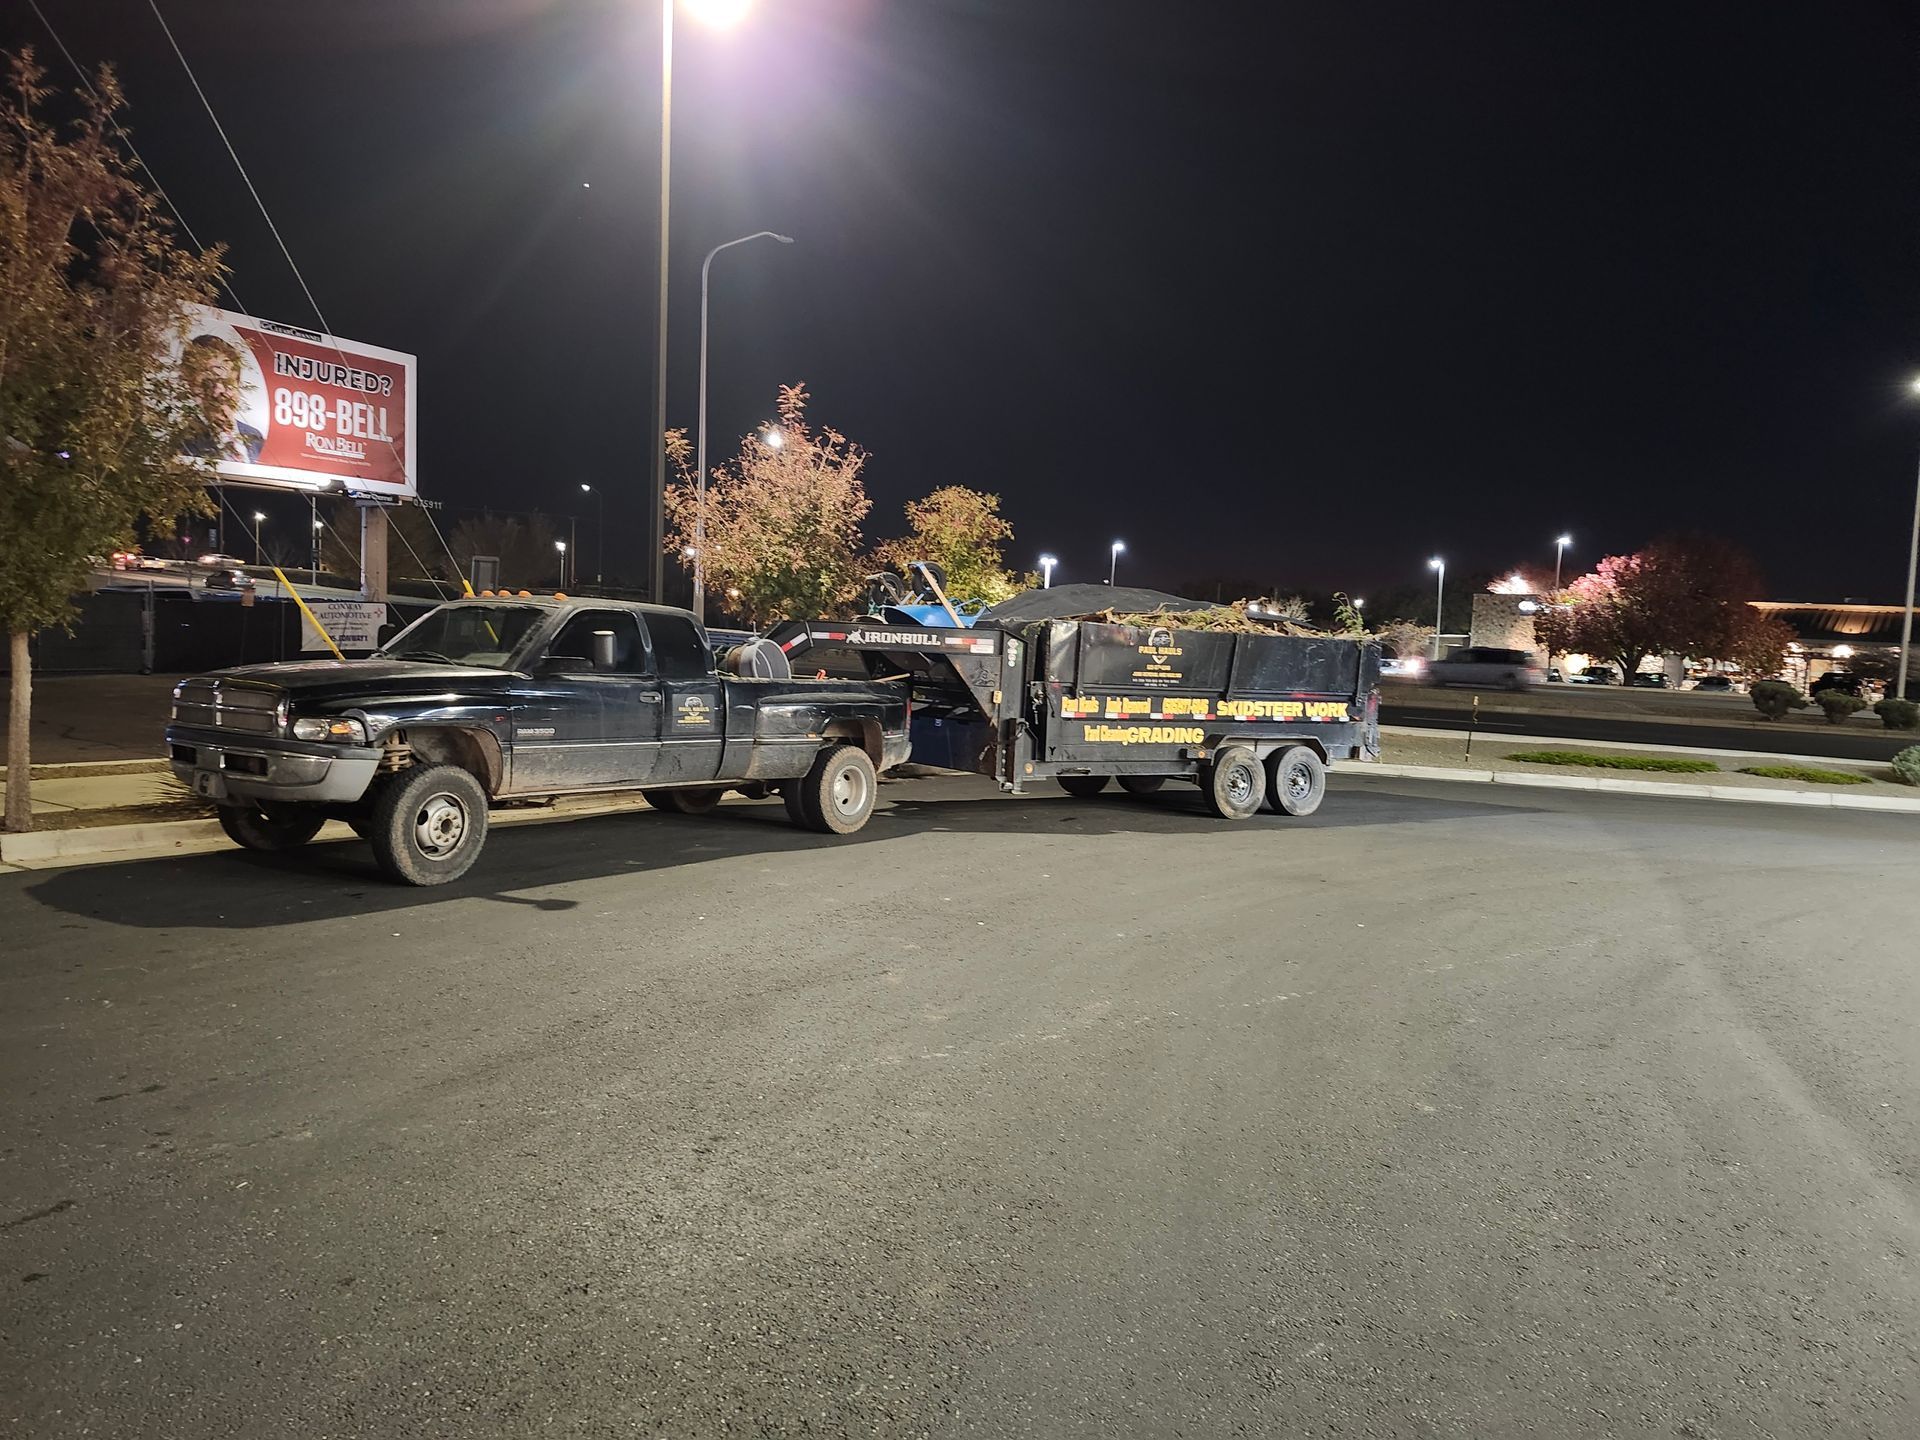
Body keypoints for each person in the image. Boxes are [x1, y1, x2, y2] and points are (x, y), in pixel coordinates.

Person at [181, 333, 266, 463]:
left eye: (227, 383)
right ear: (191, 387)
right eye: (208, 383)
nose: (219, 390)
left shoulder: (255, 437)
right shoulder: (184, 441)